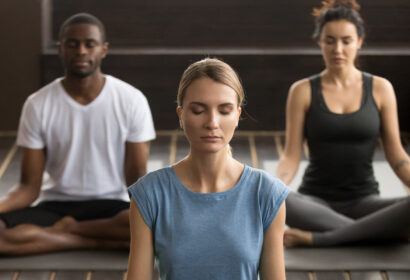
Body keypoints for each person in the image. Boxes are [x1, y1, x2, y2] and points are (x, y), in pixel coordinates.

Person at [0, 13, 156, 255]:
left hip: (110, 207)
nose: (81, 51)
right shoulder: (37, 104)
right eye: (72, 44)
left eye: (89, 44)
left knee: (151, 228)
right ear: (61, 50)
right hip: (55, 206)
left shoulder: (131, 100)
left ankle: (60, 234)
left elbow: (135, 178)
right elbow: (28, 187)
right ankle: (91, 241)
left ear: (103, 50)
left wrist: (157, 214)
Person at [127, 58, 290, 279]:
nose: (212, 122)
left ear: (237, 116)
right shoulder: (149, 194)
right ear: (181, 115)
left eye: (224, 111)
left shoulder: (267, 193)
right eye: (198, 110)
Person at [276, 0, 410, 247]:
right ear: (320, 42)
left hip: (366, 202)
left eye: (346, 41)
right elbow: (290, 156)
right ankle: (378, 235)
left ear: (359, 41)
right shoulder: (302, 91)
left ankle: (320, 238)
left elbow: (398, 156)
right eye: (330, 40)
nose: (338, 49)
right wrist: (274, 188)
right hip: (315, 203)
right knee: (281, 200)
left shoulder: (381, 89)